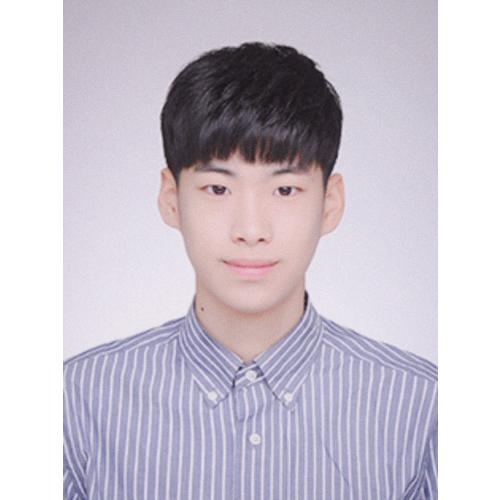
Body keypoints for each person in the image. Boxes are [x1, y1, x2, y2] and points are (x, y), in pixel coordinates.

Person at [63, 42, 437, 499]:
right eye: (218, 188)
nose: (251, 230)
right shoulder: (76, 403)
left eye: (285, 190)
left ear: (330, 203)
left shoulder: (422, 408)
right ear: (171, 198)